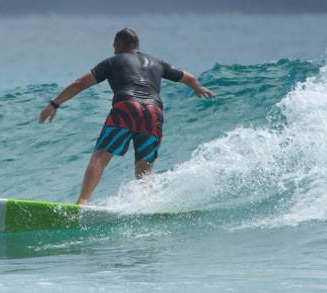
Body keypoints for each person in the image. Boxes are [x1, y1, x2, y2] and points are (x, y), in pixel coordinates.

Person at [39, 28, 214, 204]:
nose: (114, 50)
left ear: (120, 44)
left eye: (114, 46)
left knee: (101, 156)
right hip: (153, 112)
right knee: (144, 164)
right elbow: (189, 78)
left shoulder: (113, 61)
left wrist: (54, 104)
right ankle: (146, 204)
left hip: (127, 108)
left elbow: (80, 83)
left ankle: (82, 202)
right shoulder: (158, 63)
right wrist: (198, 88)